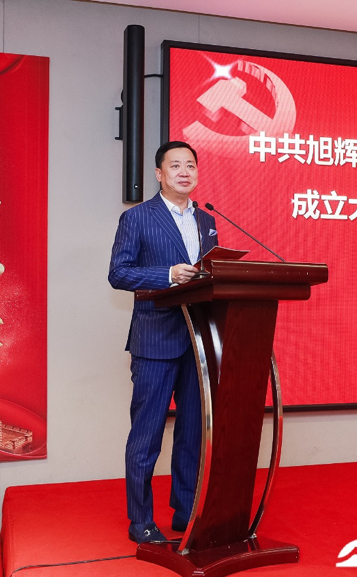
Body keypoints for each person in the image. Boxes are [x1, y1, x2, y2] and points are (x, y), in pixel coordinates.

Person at [108, 141, 218, 544]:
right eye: (176, 166)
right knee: (147, 434)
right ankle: (141, 521)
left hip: (198, 341)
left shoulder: (207, 220)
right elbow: (119, 273)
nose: (184, 172)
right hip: (155, 340)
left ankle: (186, 511)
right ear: (159, 174)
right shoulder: (137, 218)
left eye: (190, 165)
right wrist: (167, 275)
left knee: (193, 432)